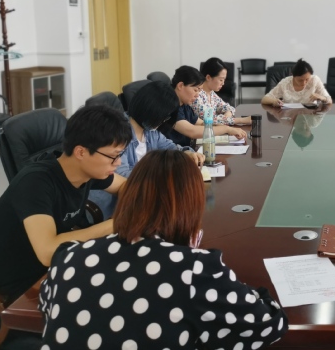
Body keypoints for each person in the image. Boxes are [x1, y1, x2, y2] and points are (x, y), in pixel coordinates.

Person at [39, 149, 288, 349]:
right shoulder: (193, 268)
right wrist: (251, 291)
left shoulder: (68, 259)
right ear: (191, 205)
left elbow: (49, 308)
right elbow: (268, 325)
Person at [0, 105, 132, 301]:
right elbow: (47, 252)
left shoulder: (85, 171)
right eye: (114, 156)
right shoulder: (35, 182)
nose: (118, 163)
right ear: (81, 152)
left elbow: (126, 187)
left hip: (48, 271)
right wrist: (117, 223)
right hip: (6, 292)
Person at [89, 81, 204, 219]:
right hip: (117, 207)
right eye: (162, 116)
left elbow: (171, 148)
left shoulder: (150, 132)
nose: (163, 121)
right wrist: (162, 174)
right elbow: (122, 175)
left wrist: (187, 153)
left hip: (143, 200)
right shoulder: (118, 132)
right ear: (149, 110)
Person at [165, 65, 247, 148]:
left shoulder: (184, 104)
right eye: (195, 90)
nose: (197, 95)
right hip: (174, 153)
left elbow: (201, 123)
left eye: (199, 91)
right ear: (180, 86)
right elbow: (192, 131)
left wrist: (224, 127)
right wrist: (227, 129)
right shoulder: (169, 106)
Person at [193, 57, 251, 126]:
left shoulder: (211, 93)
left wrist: (226, 116)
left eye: (224, 80)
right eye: (221, 80)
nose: (223, 83)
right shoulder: (196, 95)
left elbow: (228, 107)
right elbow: (209, 120)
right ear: (208, 77)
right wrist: (242, 120)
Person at [261, 58, 332, 106]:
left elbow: (329, 101)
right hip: (289, 117)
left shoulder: (315, 80)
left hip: (310, 116)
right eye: (300, 80)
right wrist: (274, 101)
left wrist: (323, 98)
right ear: (293, 76)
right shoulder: (285, 83)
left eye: (307, 79)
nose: (304, 83)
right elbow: (264, 99)